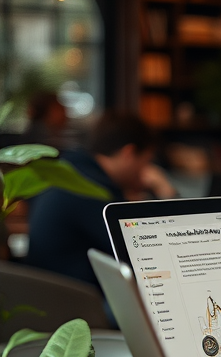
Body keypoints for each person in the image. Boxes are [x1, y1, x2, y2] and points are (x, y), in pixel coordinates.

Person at [26, 111, 176, 286]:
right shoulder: (91, 190)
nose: (146, 170)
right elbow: (143, 253)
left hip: (51, 293)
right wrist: (166, 191)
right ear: (129, 153)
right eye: (146, 160)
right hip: (73, 301)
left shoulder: (74, 173)